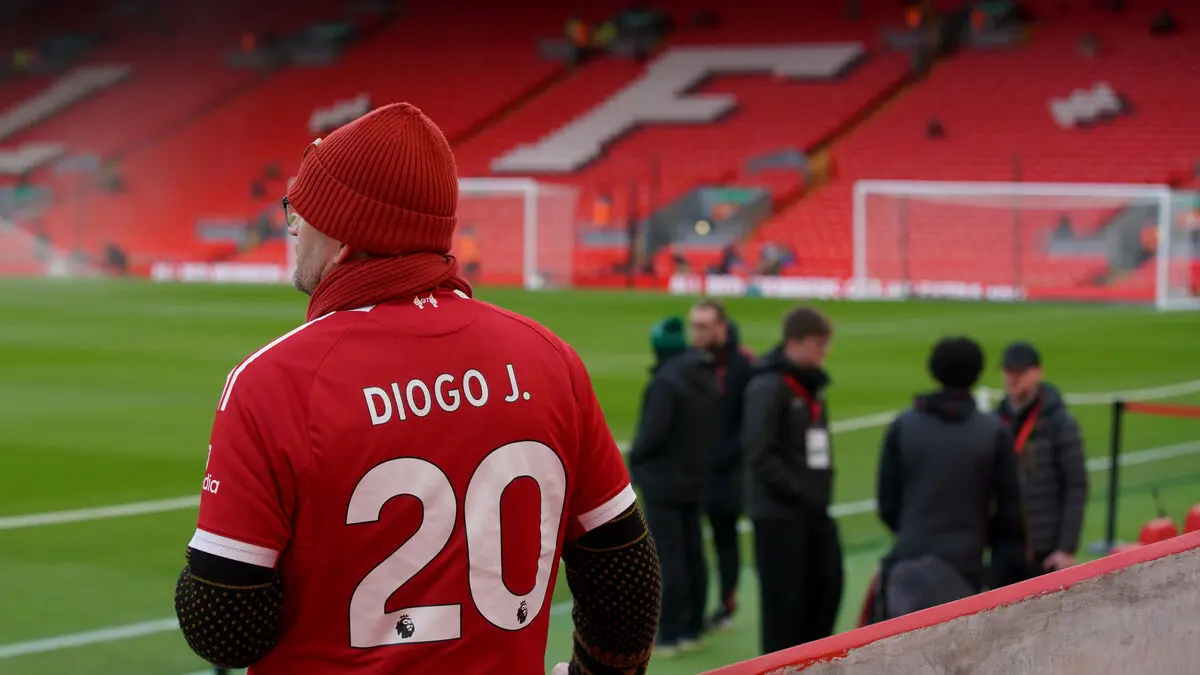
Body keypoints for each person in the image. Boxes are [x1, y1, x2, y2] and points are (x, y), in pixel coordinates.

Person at [173, 103, 661, 675]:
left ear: (344, 236)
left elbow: (225, 626)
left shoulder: (274, 380)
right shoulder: (549, 357)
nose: (295, 228)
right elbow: (625, 580)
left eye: (301, 212)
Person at [874, 337, 1026, 621]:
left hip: (910, 556)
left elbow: (887, 504)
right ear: (977, 373)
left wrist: (914, 531)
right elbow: (1009, 513)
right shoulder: (993, 432)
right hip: (965, 562)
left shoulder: (903, 426)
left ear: (934, 370)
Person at [742, 306, 843, 654]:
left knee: (825, 596)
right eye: (819, 343)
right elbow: (759, 453)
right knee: (784, 614)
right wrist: (798, 492)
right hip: (780, 517)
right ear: (794, 342)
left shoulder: (811, 386)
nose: (825, 351)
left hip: (813, 513)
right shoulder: (769, 387)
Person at [628, 317, 719, 657]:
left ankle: (670, 632)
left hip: (664, 481)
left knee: (668, 556)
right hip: (696, 476)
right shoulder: (704, 375)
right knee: (693, 550)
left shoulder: (665, 383)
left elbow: (652, 434)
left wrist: (636, 458)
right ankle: (693, 627)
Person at [991, 341, 1088, 584]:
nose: (1013, 378)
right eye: (1008, 371)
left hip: (1046, 549)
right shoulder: (994, 422)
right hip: (1003, 549)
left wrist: (1066, 548)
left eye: (1020, 372)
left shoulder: (1059, 423)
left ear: (1037, 373)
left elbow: (1076, 485)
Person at [687, 298, 754, 630]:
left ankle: (726, 603)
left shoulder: (743, 364)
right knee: (688, 540)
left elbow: (750, 422)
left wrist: (723, 456)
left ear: (721, 327)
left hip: (727, 471)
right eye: (694, 326)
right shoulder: (689, 362)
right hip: (691, 471)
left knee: (724, 536)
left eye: (704, 326)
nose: (696, 333)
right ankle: (690, 610)